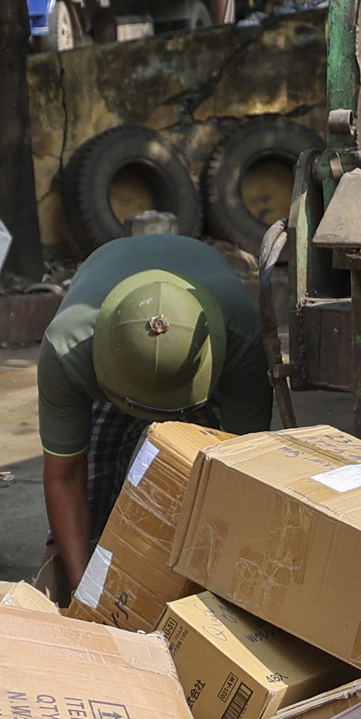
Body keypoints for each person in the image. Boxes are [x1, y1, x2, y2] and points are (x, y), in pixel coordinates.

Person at [40, 234, 271, 592]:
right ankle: (73, 573)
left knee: (208, 473)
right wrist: (84, 593)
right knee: (92, 479)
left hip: (200, 358)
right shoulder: (67, 349)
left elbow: (243, 475)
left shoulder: (239, 333)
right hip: (110, 357)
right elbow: (64, 477)